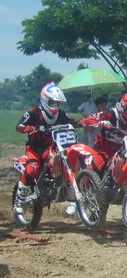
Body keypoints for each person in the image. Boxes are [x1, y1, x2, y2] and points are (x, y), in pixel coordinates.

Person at [14, 82, 81, 215]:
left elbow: (72, 121)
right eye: (53, 102)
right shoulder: (33, 113)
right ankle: (19, 200)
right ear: (45, 99)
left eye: (58, 103)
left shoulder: (61, 114)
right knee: (32, 168)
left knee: (62, 161)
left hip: (51, 147)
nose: (56, 106)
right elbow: (19, 126)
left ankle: (70, 194)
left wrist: (82, 123)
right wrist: (33, 128)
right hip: (34, 148)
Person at [81, 93, 127, 162]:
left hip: (116, 154)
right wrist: (101, 123)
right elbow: (89, 120)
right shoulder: (111, 115)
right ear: (123, 106)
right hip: (100, 152)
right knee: (92, 165)